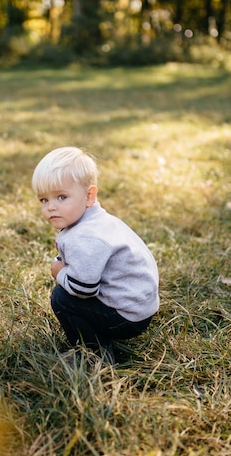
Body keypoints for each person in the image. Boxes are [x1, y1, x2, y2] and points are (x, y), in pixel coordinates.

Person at [31, 146, 159, 365]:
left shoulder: (86, 236)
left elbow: (83, 290)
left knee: (62, 298)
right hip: (139, 305)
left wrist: (59, 272)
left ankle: (94, 354)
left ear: (89, 196)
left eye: (62, 197)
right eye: (44, 200)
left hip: (127, 317)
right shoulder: (97, 220)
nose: (51, 207)